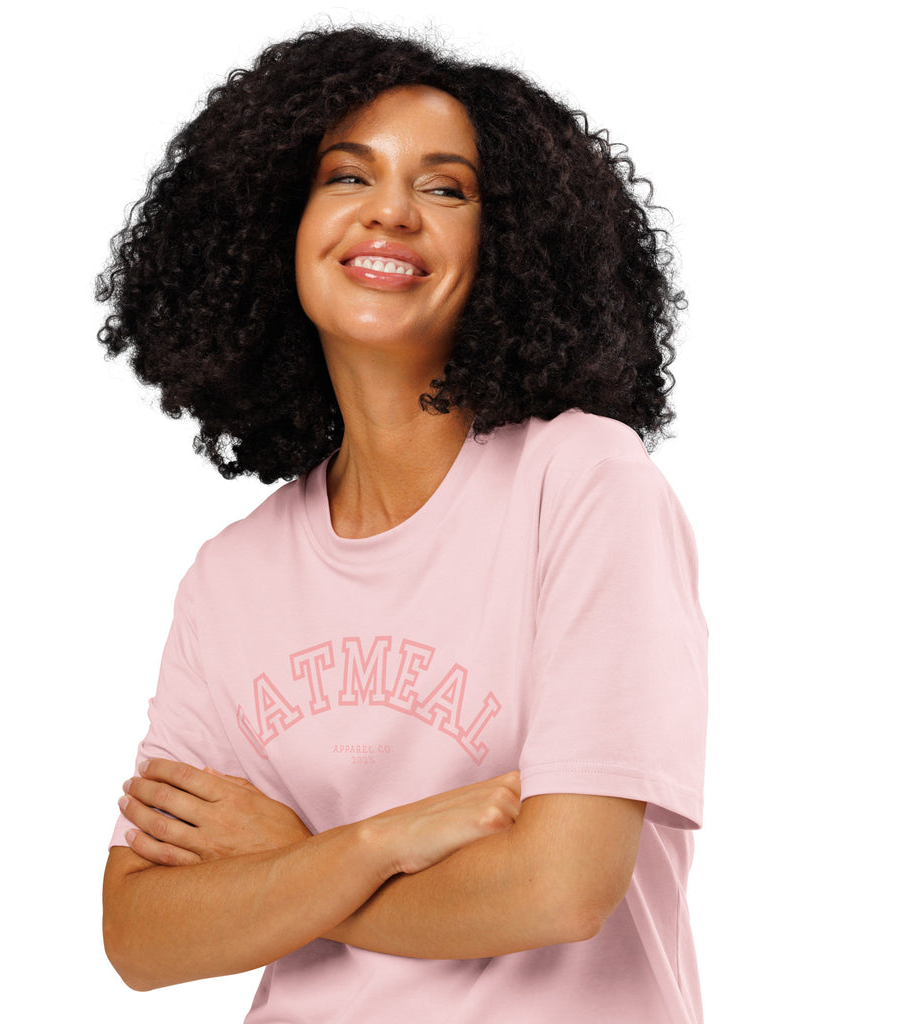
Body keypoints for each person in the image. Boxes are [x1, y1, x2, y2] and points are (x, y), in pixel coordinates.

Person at [97, 25, 707, 1024]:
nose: (389, 211)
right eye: (347, 176)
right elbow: (143, 933)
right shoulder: (233, 573)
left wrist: (284, 869)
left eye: (445, 187)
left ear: (505, 241)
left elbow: (559, 888)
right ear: (275, 227)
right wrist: (375, 844)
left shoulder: (584, 481)